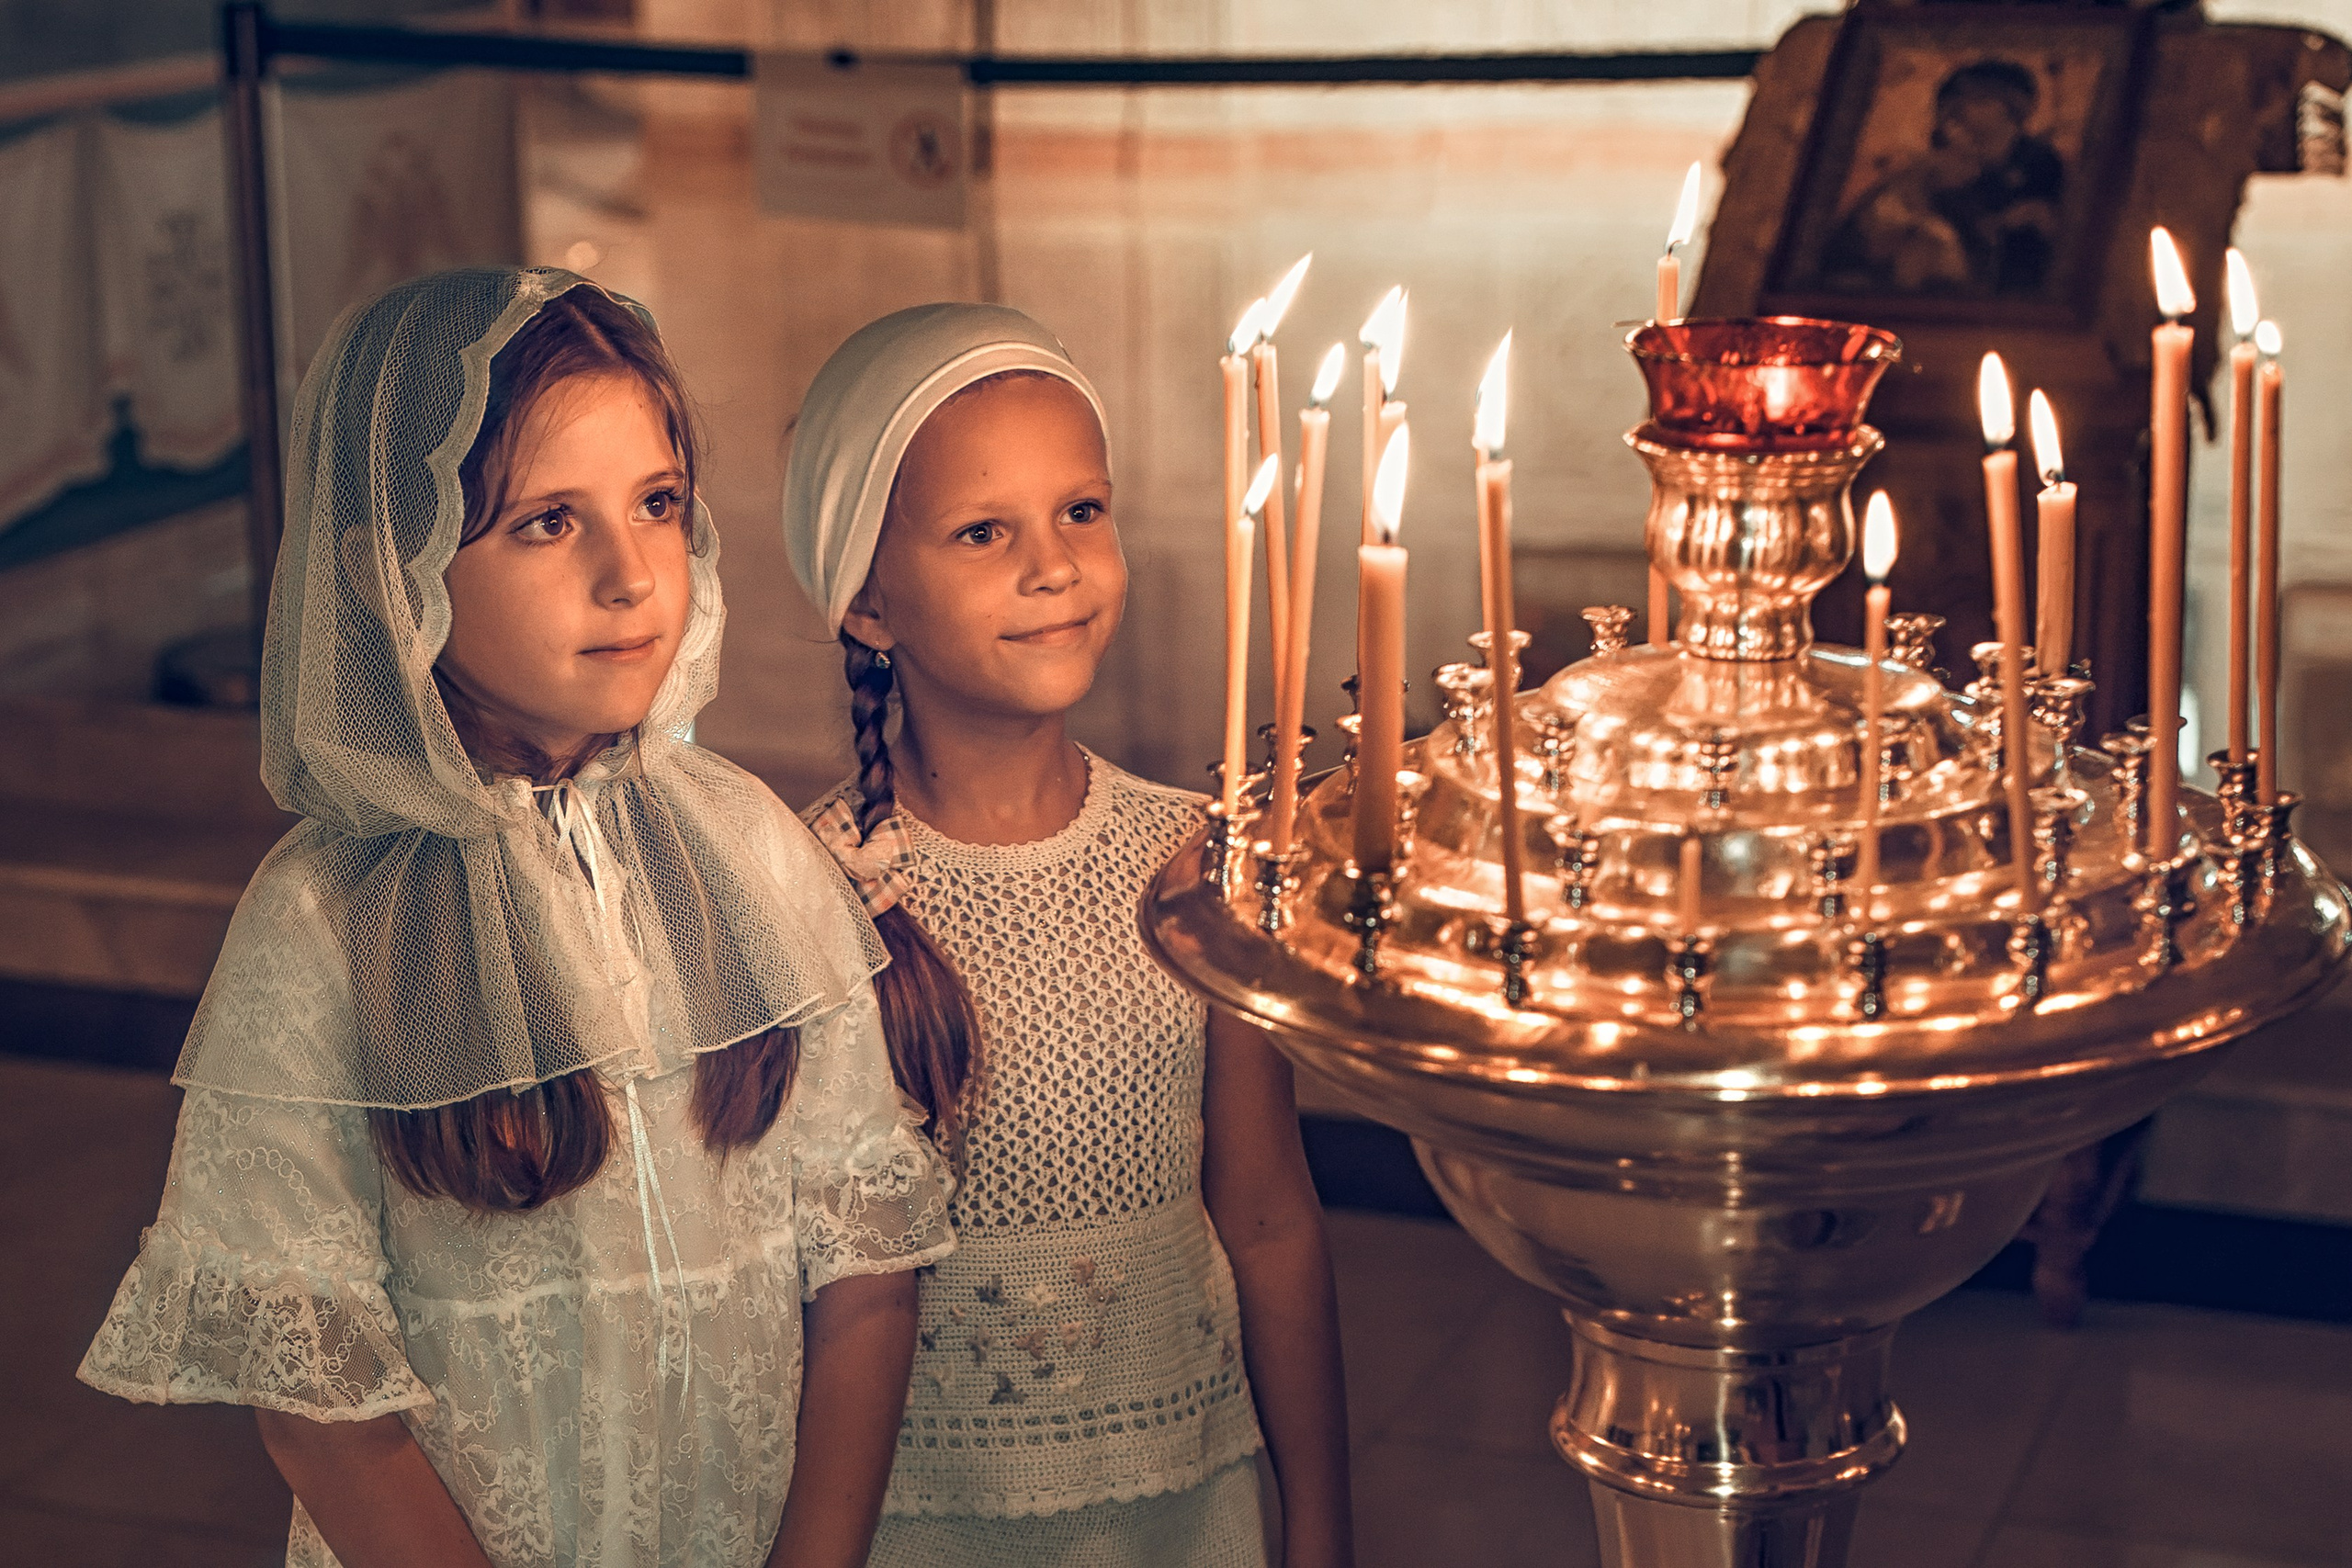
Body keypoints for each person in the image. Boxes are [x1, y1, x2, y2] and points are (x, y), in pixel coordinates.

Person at [78, 268, 955, 1568]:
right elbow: (324, 1402)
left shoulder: (750, 849)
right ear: (399, 564)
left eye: (658, 504)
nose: (629, 573)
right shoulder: (321, 923)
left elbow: (867, 1261)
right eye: (548, 522)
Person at [780, 304, 1355, 1568]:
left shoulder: (1197, 860)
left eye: (1080, 511)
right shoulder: (807, 896)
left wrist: (1318, 1520)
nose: (1052, 566)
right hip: (921, 1520)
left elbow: (1265, 1215)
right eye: (985, 531)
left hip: (1182, 1493)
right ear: (869, 603)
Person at [1824, 56, 2064, 298]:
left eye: (1979, 99)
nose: (1957, 115)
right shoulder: (1924, 174)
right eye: (1953, 107)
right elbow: (1861, 246)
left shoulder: (2043, 170)